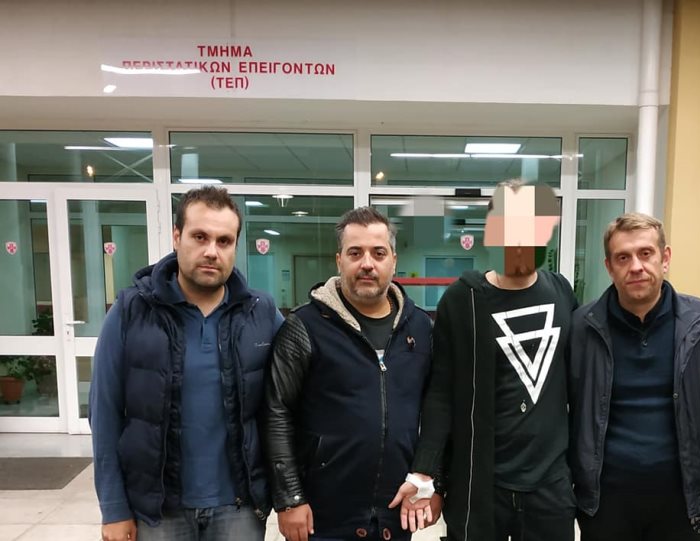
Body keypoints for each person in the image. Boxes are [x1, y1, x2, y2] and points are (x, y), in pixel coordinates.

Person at [90, 186, 284, 541]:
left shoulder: (261, 313)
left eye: (224, 241)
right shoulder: (131, 312)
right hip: (158, 511)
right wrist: (114, 507)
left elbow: (298, 396)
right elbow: (104, 413)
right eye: (200, 237)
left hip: (238, 508)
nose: (211, 251)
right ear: (177, 237)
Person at [392, 180, 579, 541]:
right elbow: (441, 394)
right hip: (480, 486)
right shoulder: (463, 301)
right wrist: (427, 470)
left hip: (549, 487)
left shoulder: (561, 293)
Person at [261, 207, 437, 541]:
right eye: (355, 253)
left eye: (378, 253)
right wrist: (289, 498)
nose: (367, 263)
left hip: (396, 509)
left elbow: (437, 409)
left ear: (394, 261)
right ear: (339, 260)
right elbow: (277, 412)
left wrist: (432, 480)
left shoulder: (420, 328)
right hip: (323, 515)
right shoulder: (304, 327)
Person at [569, 212, 700, 540]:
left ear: (665, 258)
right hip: (605, 502)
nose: (636, 266)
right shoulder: (582, 327)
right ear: (609, 267)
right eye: (623, 257)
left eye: (645, 253)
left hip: (681, 501)